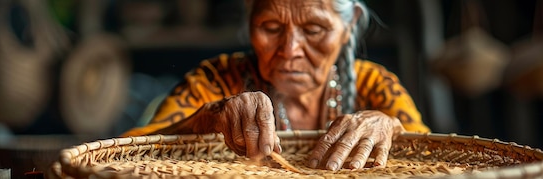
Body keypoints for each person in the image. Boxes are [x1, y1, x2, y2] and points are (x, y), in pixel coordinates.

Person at [121, 0, 430, 171]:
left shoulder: (373, 82)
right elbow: (124, 154)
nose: (290, 49)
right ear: (249, 22)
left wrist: (389, 125)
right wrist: (207, 119)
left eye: (314, 29)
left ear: (349, 26)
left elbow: (432, 155)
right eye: (271, 27)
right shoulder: (217, 78)